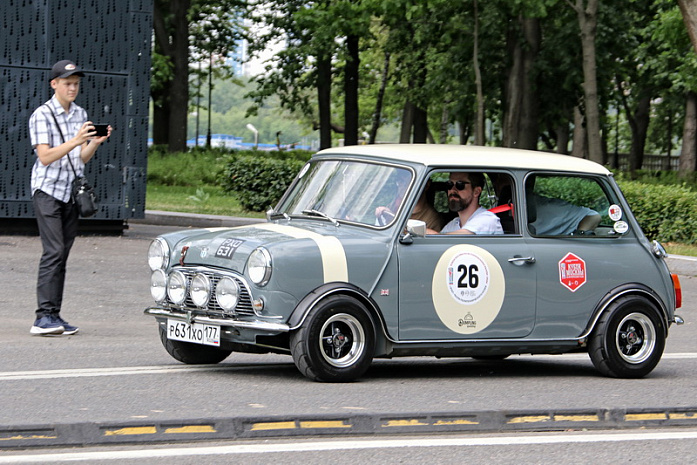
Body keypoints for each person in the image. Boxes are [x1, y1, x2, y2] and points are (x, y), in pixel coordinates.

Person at [28, 60, 111, 335]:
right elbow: (45, 156)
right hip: (47, 190)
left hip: (70, 192)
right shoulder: (42, 114)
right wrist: (76, 140)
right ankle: (42, 318)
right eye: (67, 83)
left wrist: (93, 144)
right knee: (53, 251)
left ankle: (54, 315)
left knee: (62, 254)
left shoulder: (80, 114)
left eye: (76, 83)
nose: (72, 88)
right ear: (54, 84)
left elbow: (80, 159)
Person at [439, 172, 503, 235]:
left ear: (476, 192)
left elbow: (442, 239)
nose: (452, 190)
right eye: (449, 184)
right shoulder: (453, 224)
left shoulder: (488, 219)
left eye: (460, 185)